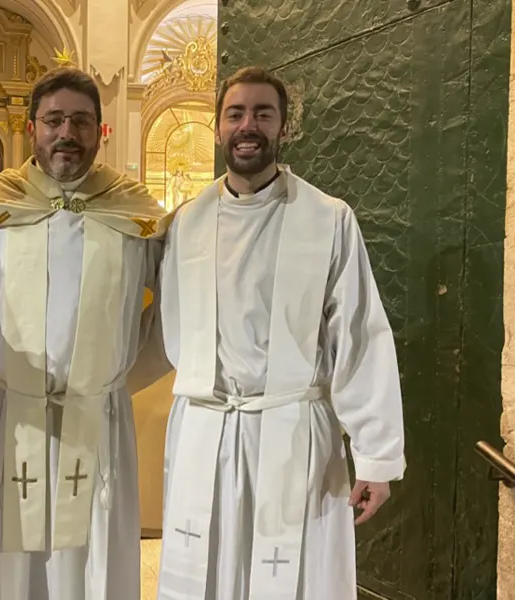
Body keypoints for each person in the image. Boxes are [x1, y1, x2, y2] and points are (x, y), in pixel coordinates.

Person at [156, 66, 406, 600]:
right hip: (206, 430)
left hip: (296, 432)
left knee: (295, 577)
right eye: (236, 113)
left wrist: (377, 456)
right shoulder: (185, 223)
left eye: (263, 114)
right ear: (218, 128)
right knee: (206, 573)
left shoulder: (328, 218)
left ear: (284, 127)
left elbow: (359, 335)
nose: (249, 125)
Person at [0, 67, 173, 600]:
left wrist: (114, 379)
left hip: (97, 416)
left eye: (81, 121)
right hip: (13, 412)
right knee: (10, 563)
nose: (66, 134)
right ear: (32, 128)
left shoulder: (137, 214)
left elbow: (173, 306)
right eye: (53, 120)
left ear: (102, 130)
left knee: (90, 556)